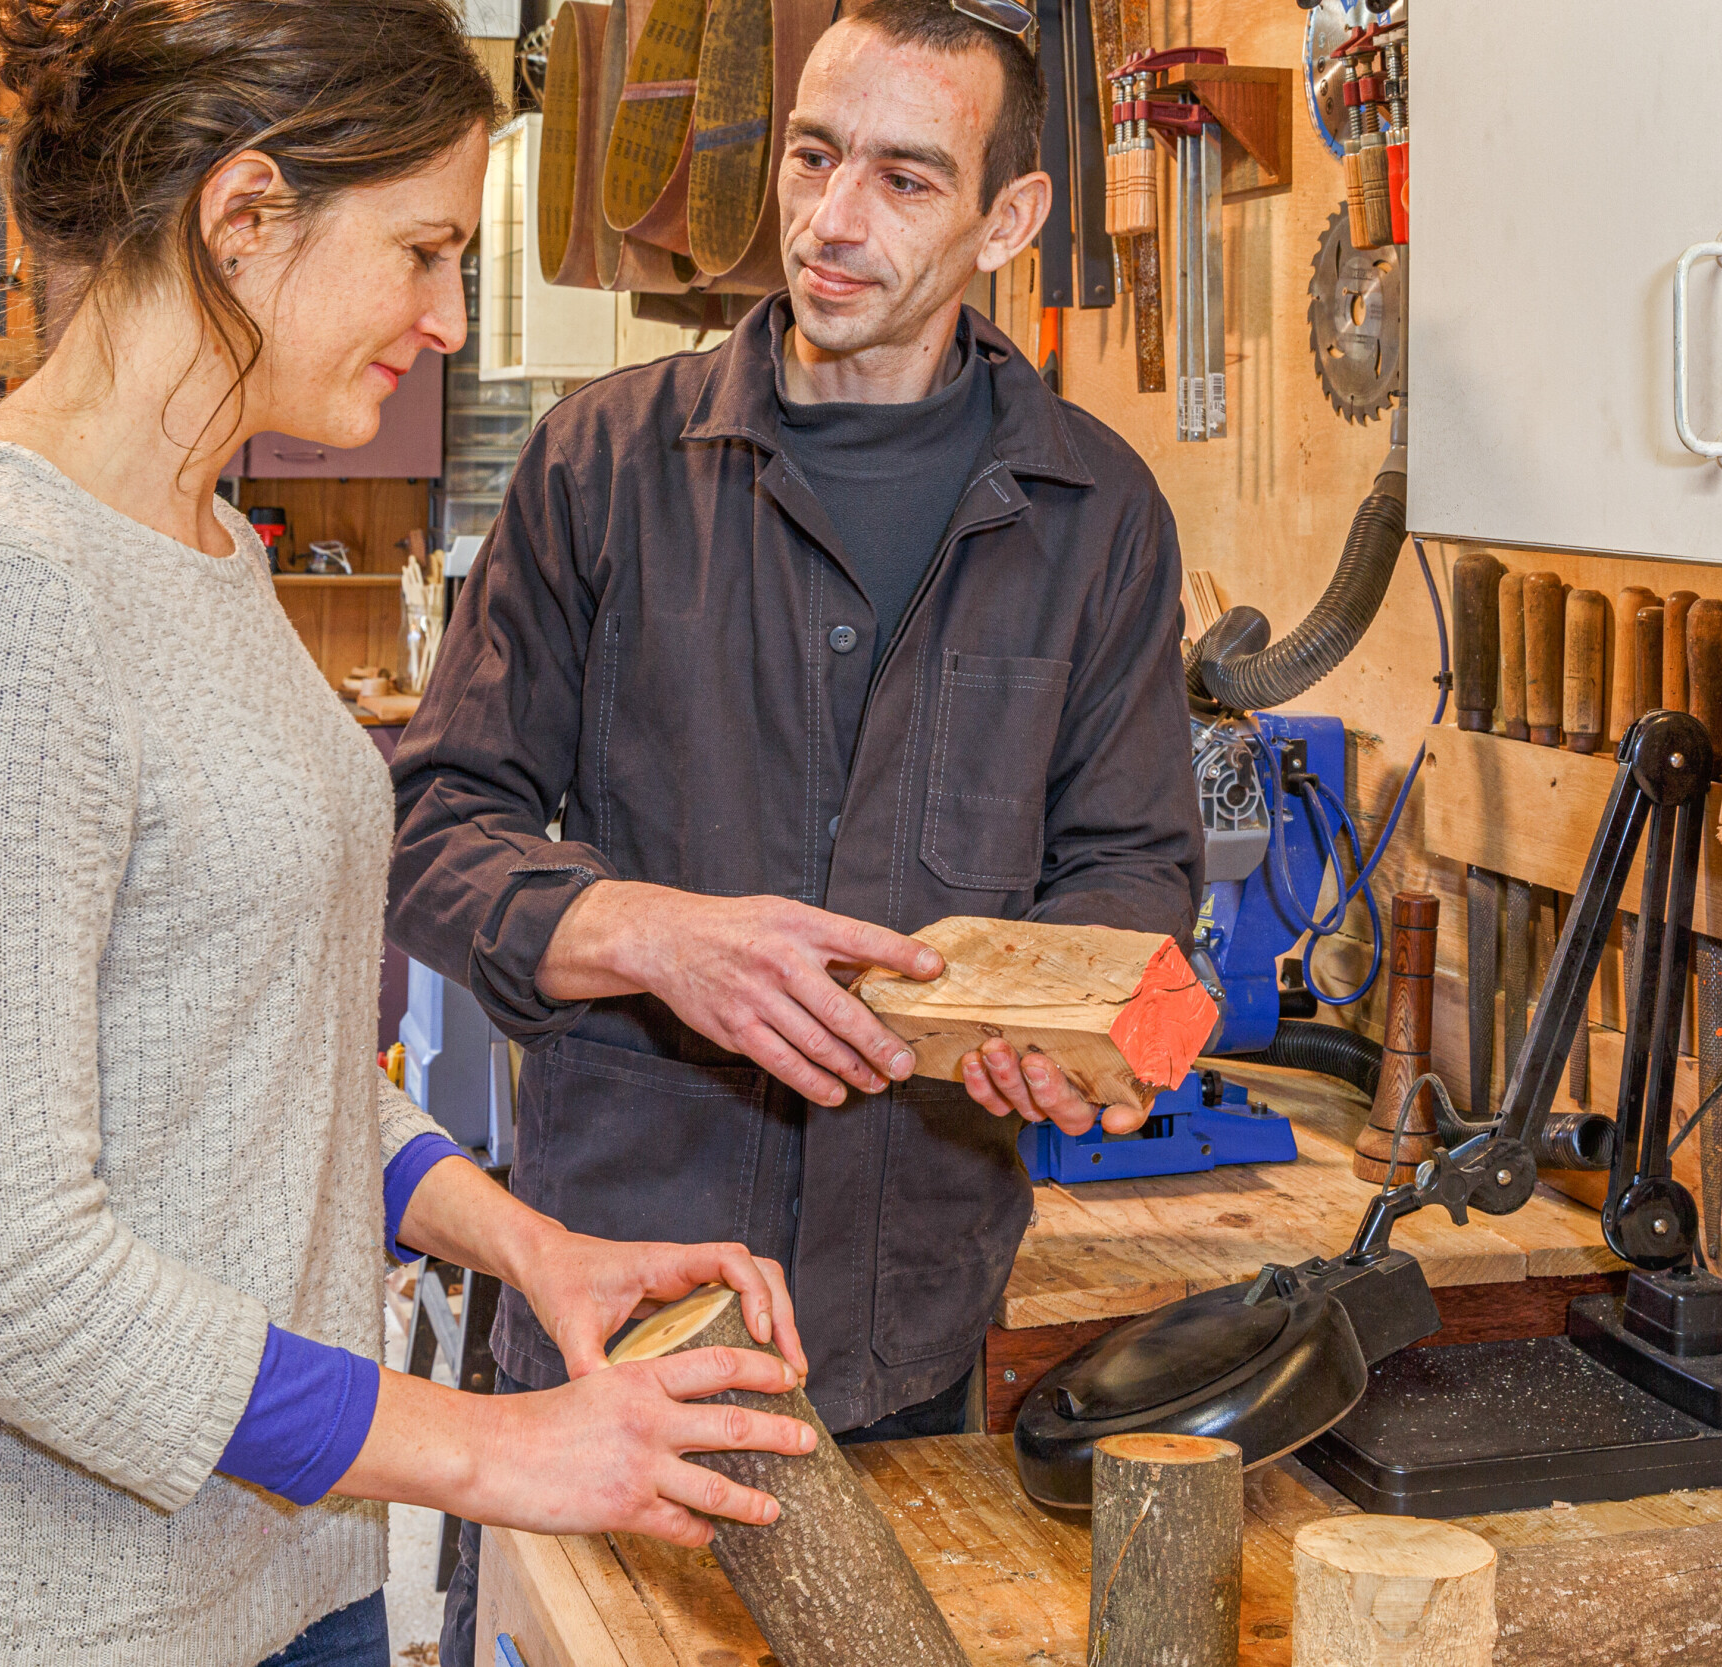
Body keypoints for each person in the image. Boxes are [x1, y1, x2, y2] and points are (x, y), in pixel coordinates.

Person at [0, 3, 823, 1663]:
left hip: (286, 1580)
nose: (449, 314)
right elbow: (2, 1288)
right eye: (419, 251)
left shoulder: (199, 543)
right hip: (47, 1624)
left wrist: (521, 1241)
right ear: (244, 218)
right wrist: (498, 1449)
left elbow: (245, 1058)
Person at [387, 0, 1205, 1655]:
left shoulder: (1098, 513)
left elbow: (1132, 870)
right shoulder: (600, 467)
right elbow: (433, 828)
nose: (831, 224)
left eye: (907, 180)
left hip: (908, 1335)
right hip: (615, 1311)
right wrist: (649, 932)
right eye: (816, 156)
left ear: (1013, 220)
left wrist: (1075, 1029)